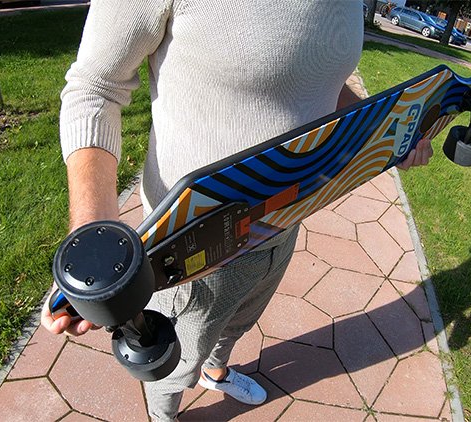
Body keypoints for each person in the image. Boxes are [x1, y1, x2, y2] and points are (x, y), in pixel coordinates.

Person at [41, 1, 433, 420]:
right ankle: (164, 414)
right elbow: (94, 88)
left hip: (283, 221)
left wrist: (389, 128)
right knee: (173, 364)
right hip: (192, 245)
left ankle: (216, 368)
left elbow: (320, 76)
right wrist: (93, 239)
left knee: (238, 320)